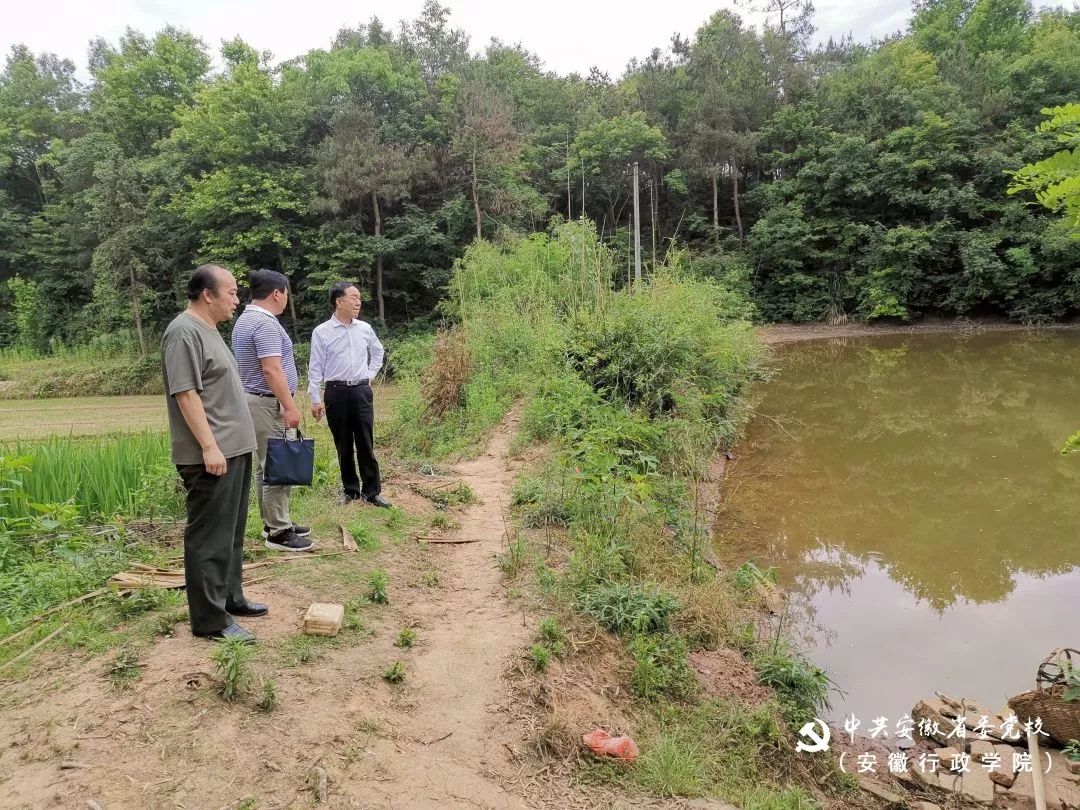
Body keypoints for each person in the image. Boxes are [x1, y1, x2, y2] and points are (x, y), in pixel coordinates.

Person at [161, 264, 265, 644]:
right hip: (212, 454)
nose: (237, 300)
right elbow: (185, 394)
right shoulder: (183, 333)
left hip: (234, 448)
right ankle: (210, 621)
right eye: (232, 292)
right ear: (208, 294)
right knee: (209, 536)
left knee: (231, 532)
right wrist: (209, 446)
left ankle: (230, 598)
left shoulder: (210, 330)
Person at [231, 269, 313, 553]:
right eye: (286, 293)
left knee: (265, 466)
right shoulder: (264, 323)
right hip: (267, 402)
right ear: (277, 294)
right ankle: (279, 532)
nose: (287, 298)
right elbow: (271, 369)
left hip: (255, 401)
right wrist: (289, 406)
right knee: (278, 466)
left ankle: (273, 522)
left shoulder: (245, 319)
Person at [307, 282, 391, 507]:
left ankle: (372, 492)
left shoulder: (364, 328)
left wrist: (369, 375)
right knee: (343, 443)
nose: (358, 302)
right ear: (339, 301)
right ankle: (351, 490)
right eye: (354, 297)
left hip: (361, 391)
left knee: (366, 441)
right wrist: (315, 398)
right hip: (336, 391)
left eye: (359, 298)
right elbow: (315, 367)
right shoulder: (322, 331)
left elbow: (378, 352)